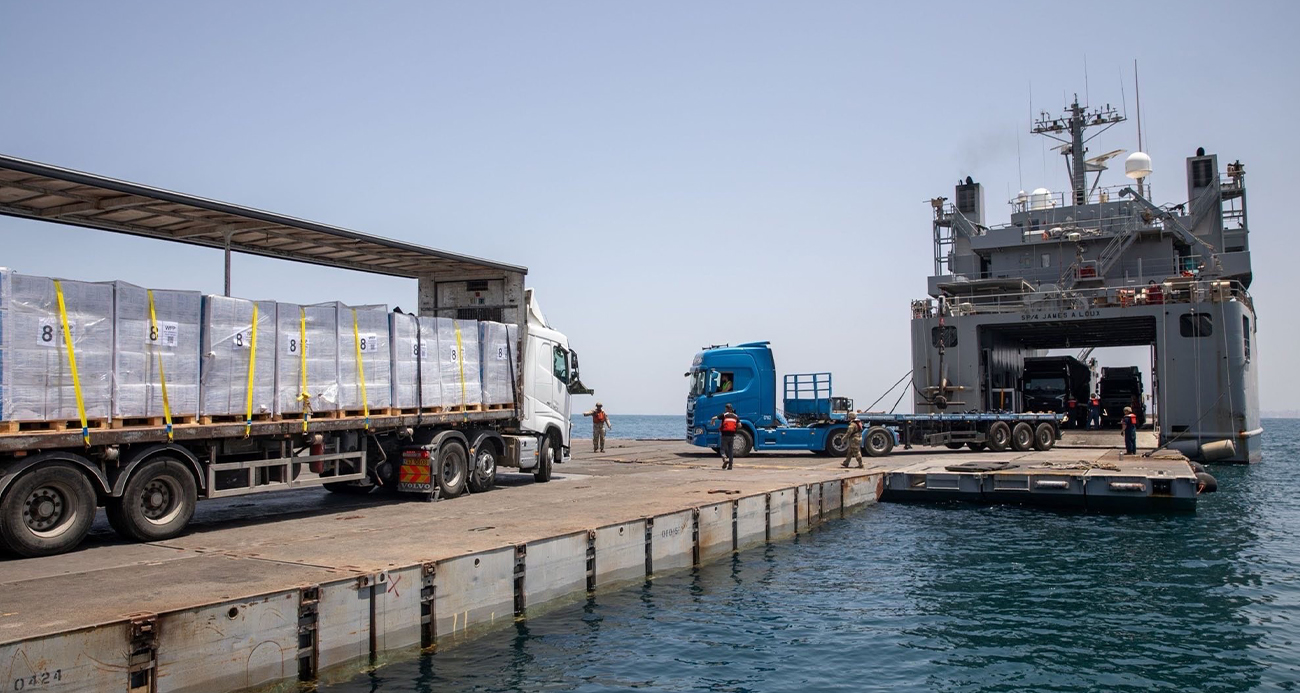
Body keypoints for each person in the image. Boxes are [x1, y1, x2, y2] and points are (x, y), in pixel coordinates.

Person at [711, 403, 741, 470]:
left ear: (727, 409)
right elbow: (740, 425)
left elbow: (714, 418)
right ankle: (730, 465)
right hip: (732, 435)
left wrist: (712, 422)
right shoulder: (736, 416)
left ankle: (724, 458)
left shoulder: (724, 415)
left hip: (724, 434)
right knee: (730, 450)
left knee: (722, 449)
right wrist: (735, 428)